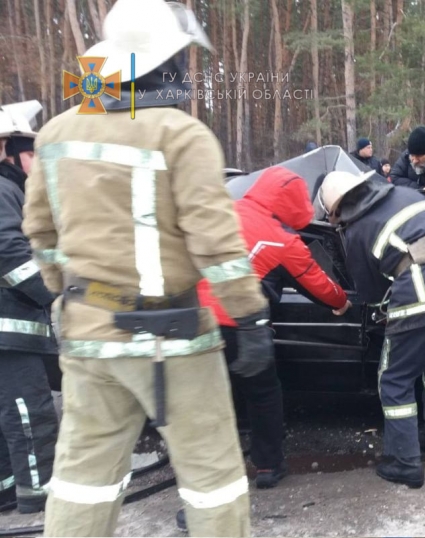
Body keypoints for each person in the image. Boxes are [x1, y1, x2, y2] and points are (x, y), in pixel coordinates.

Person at [22, 1, 272, 535]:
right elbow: (215, 242)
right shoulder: (180, 135)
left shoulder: (56, 134)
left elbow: (40, 234)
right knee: (213, 477)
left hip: (87, 339)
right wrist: (248, 316)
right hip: (173, 340)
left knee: (82, 479)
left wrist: (67, 294)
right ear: (167, 64)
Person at [316, 170, 425, 489]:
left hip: (421, 296)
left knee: (394, 380)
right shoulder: (406, 195)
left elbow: (371, 293)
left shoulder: (358, 229)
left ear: (338, 210)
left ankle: (405, 463)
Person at [197, 167, 350, 490]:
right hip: (241, 326)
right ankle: (267, 465)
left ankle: (206, 483)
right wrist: (342, 302)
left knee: (206, 400)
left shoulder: (224, 212)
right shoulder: (282, 239)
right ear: (294, 204)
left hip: (193, 321)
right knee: (262, 392)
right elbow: (318, 284)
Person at [0, 101, 59, 515]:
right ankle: (39, 496)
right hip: (10, 330)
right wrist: (52, 292)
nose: (36, 161)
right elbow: (9, 252)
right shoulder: (3, 188)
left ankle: (8, 488)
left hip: (11, 329)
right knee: (29, 414)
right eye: (30, 152)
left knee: (9, 414)